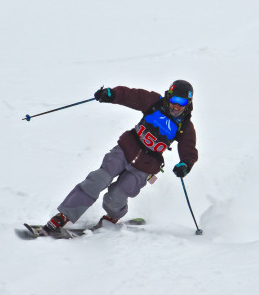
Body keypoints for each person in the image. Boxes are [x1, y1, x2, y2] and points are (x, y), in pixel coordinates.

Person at [41, 79, 198, 235]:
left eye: (182, 102)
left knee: (118, 194)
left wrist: (185, 163)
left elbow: (188, 149)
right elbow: (131, 95)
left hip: (146, 165)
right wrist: (112, 94)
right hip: (126, 148)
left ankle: (113, 217)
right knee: (99, 179)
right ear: (168, 96)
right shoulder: (154, 102)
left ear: (188, 103)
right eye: (174, 100)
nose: (177, 105)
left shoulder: (185, 126)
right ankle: (64, 215)